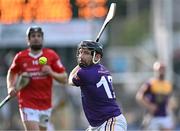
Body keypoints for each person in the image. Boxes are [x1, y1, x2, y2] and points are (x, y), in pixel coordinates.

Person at [6, 26, 67, 131]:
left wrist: (51, 72)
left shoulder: (51, 55)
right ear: (28, 39)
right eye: (33, 36)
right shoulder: (20, 57)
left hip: (45, 104)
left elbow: (64, 78)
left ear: (42, 38)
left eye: (39, 36)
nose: (36, 38)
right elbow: (12, 73)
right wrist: (11, 87)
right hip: (27, 104)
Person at [68, 40, 127, 131]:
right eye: (80, 52)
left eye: (86, 53)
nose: (81, 56)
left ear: (97, 56)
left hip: (110, 121)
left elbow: (70, 80)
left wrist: (79, 65)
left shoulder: (84, 73)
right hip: (98, 125)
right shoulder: (103, 69)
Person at [136, 61, 175, 130]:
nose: (161, 71)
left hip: (165, 116)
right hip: (153, 117)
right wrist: (149, 106)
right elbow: (139, 96)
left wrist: (171, 114)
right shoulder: (151, 83)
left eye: (163, 69)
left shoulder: (167, 85)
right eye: (159, 69)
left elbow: (168, 101)